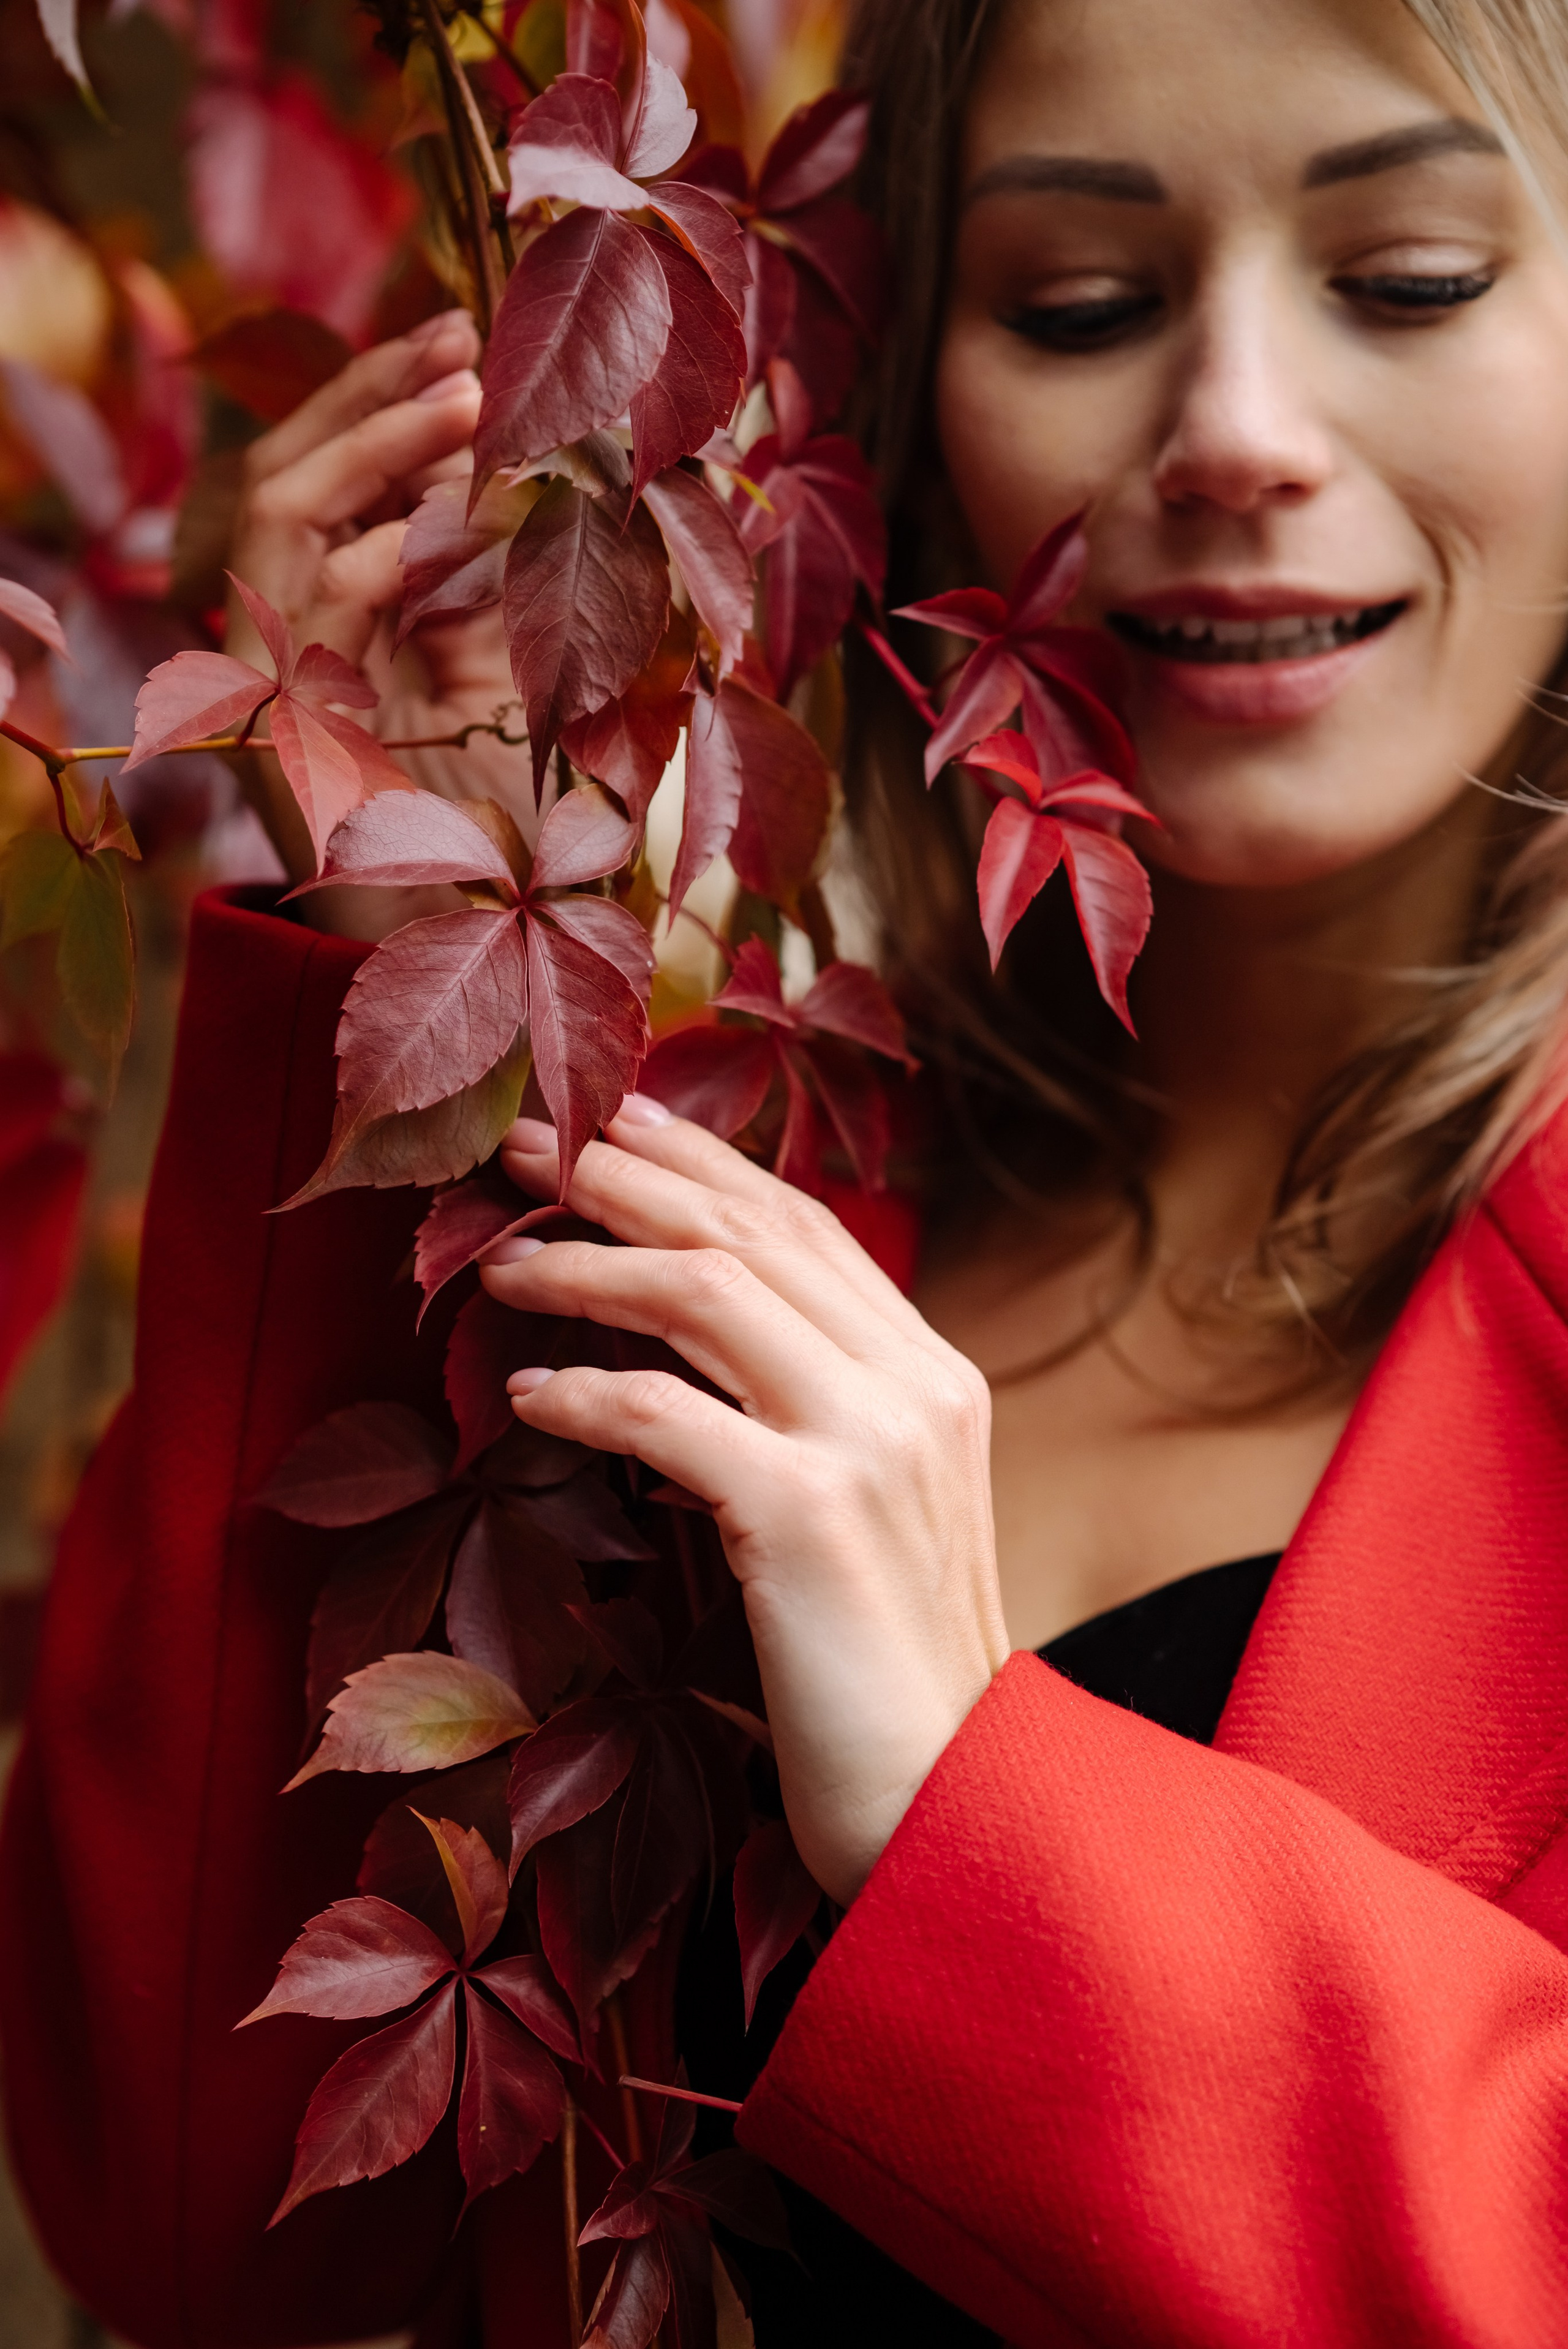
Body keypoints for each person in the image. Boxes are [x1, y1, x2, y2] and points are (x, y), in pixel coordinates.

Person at [9, 0, 1568, 2338]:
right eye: (1079, 304)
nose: (1236, 432)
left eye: (1413, 278)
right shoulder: (757, 1192)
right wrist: (420, 943)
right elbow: (200, 2218)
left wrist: (987, 1813)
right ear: (907, 404)